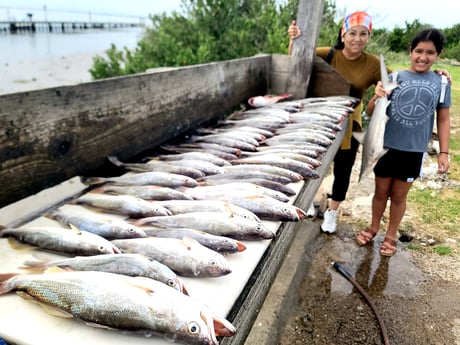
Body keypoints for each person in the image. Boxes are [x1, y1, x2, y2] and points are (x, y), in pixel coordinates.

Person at [356, 28, 451, 256]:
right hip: (384, 147)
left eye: (430, 52)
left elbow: (444, 118)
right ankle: (373, 226)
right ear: (410, 51)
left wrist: (444, 153)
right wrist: (377, 96)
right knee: (380, 193)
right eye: (418, 51)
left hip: (413, 150)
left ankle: (390, 235)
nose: (423, 57)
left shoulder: (442, 83)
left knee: (399, 196)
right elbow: (370, 112)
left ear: (438, 55)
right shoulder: (394, 78)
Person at [288, 11, 385, 233]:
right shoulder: (327, 54)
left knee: (343, 169)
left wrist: (432, 72)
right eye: (352, 33)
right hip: (320, 121)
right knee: (312, 164)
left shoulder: (372, 63)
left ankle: (332, 212)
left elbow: (396, 80)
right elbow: (297, 60)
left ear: (368, 36)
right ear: (343, 34)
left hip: (350, 123)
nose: (357, 39)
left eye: (363, 34)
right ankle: (308, 202)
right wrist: (293, 40)